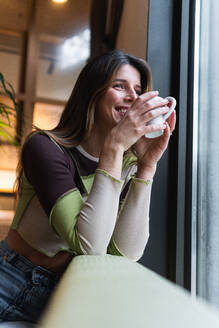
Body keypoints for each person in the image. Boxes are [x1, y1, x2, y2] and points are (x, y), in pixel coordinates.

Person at [0, 50, 176, 323]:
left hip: (62, 295)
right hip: (9, 280)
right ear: (91, 94)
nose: (133, 96)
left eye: (138, 90)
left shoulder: (125, 162)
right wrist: (115, 145)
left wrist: (146, 166)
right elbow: (89, 244)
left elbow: (127, 251)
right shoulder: (45, 148)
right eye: (120, 86)